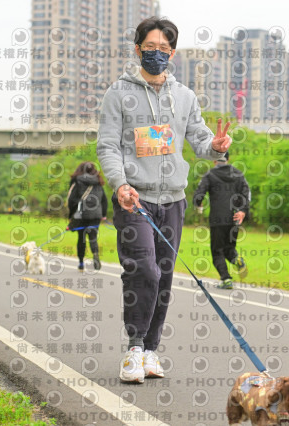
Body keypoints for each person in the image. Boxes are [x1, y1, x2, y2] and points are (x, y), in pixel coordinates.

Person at [97, 16, 231, 384]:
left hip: (173, 201)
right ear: (137, 49)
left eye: (164, 49)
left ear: (172, 53)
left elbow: (200, 141)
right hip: (134, 199)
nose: (157, 54)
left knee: (165, 275)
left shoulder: (184, 96)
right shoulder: (118, 93)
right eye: (150, 48)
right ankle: (134, 348)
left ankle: (151, 350)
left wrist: (216, 146)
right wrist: (120, 184)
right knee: (143, 270)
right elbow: (107, 145)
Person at [193, 151, 249, 289]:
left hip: (218, 219)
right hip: (235, 218)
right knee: (229, 248)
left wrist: (198, 203)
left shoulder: (210, 174)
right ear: (228, 159)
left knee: (217, 250)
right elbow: (246, 193)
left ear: (214, 160)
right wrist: (243, 211)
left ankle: (226, 279)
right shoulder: (238, 174)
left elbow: (200, 192)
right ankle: (237, 260)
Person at [67, 161, 108, 272]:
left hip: (81, 215)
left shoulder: (76, 180)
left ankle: (81, 263)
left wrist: (71, 215)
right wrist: (103, 214)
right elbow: (104, 200)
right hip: (96, 214)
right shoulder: (98, 181)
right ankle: (95, 254)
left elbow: (72, 199)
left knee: (81, 238)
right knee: (93, 237)